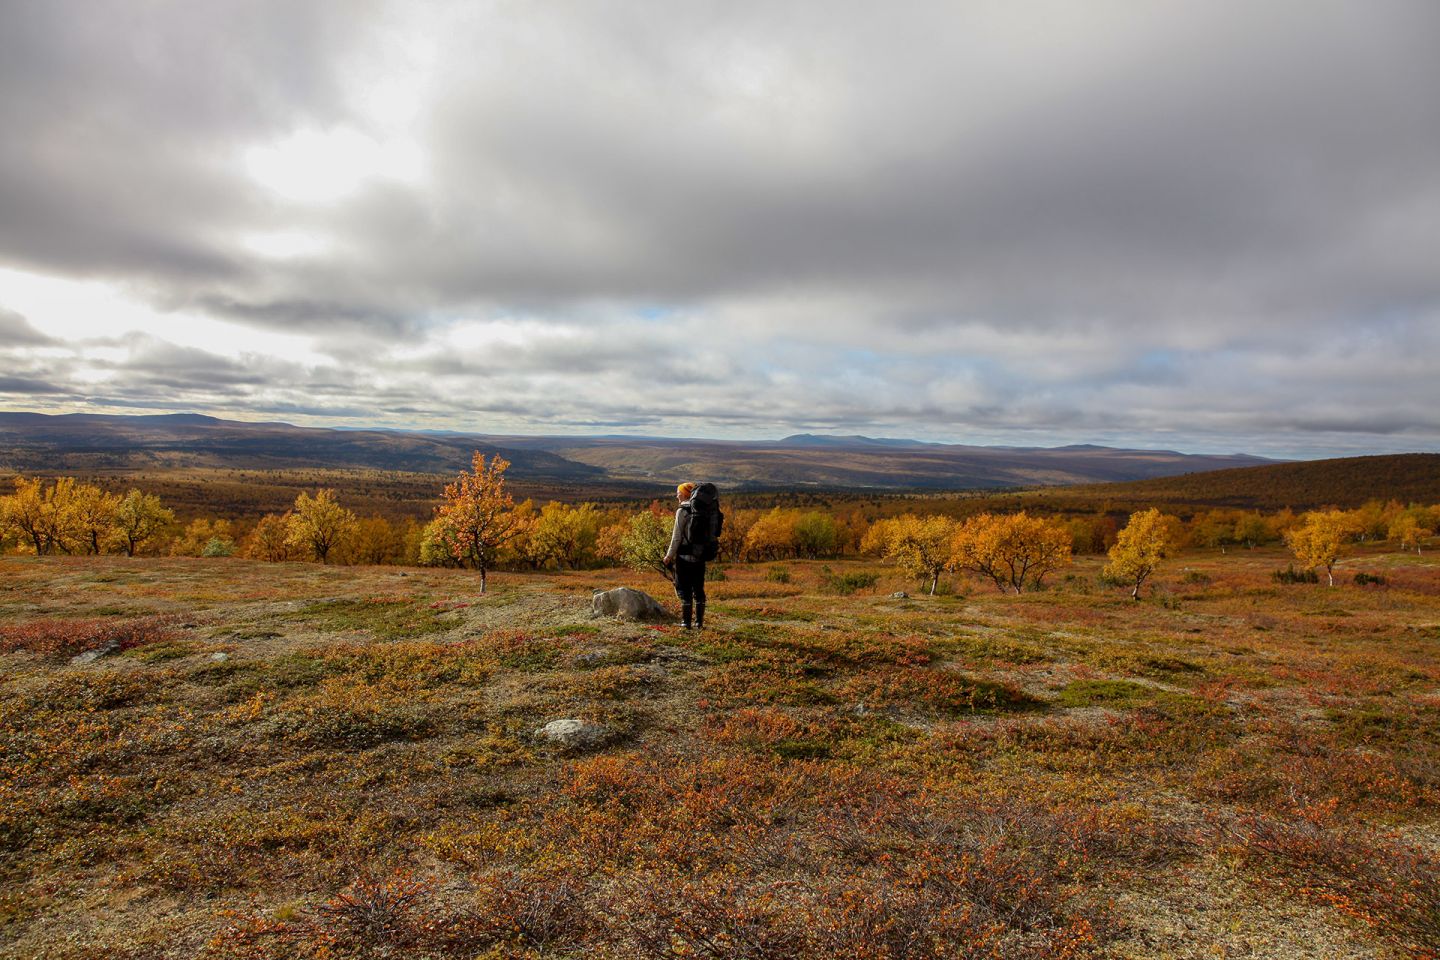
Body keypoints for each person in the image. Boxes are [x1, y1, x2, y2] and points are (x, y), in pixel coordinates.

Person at [663, 481, 707, 629]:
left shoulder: (682, 511)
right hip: (700, 556)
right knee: (699, 589)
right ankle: (699, 622)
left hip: (683, 557)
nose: (677, 495)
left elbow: (676, 537)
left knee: (685, 588)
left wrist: (669, 555)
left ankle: (686, 622)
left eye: (678, 492)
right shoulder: (703, 510)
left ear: (684, 494)